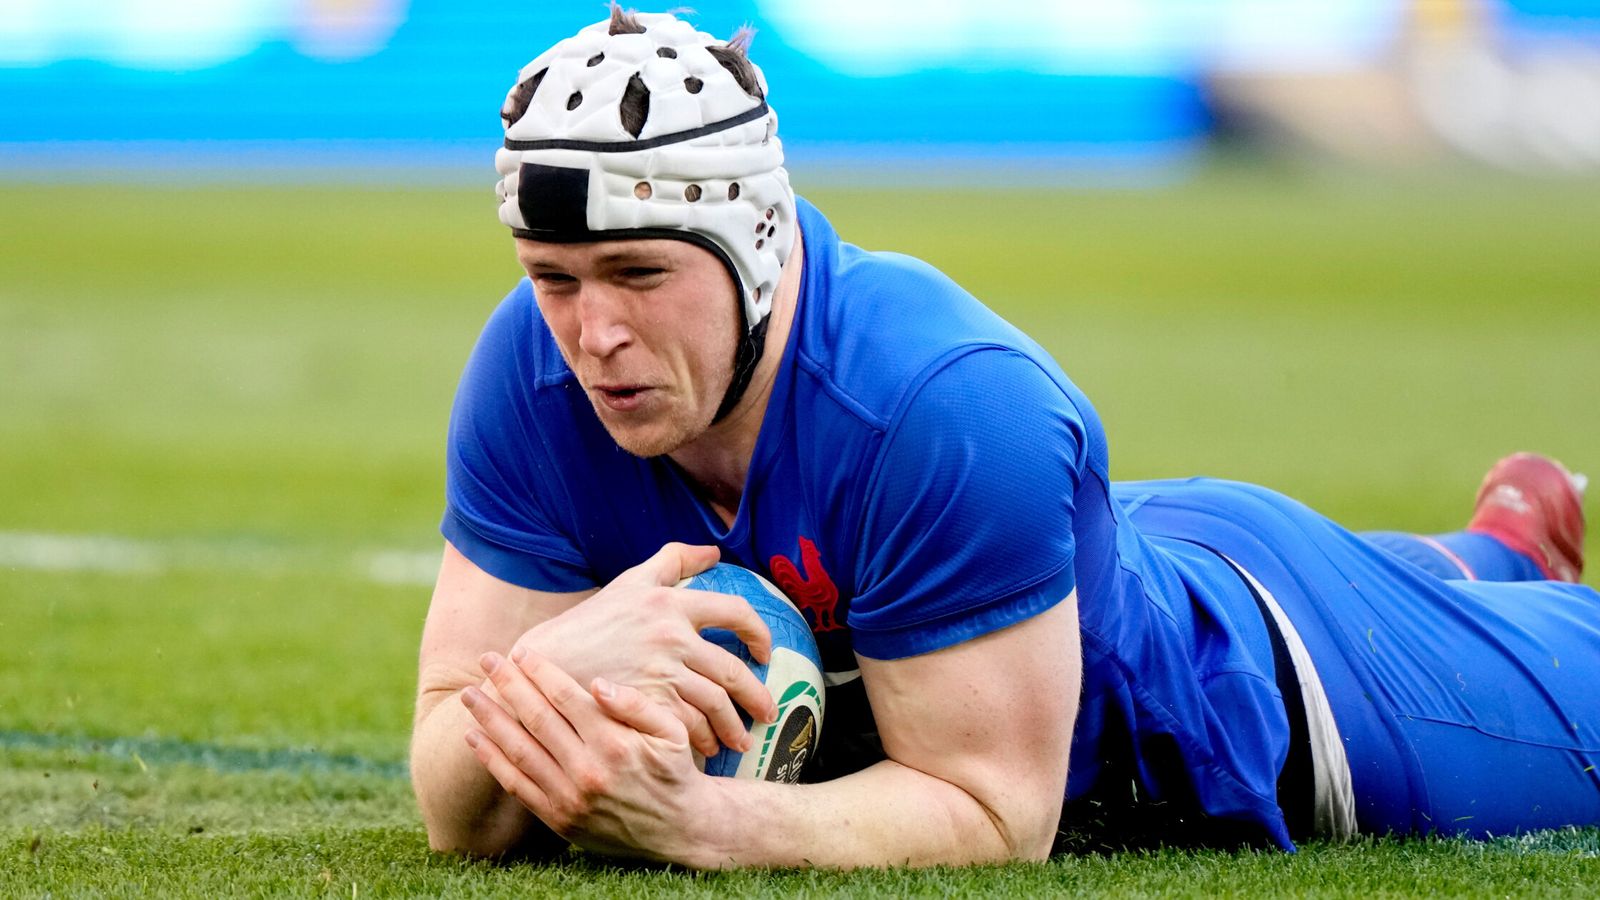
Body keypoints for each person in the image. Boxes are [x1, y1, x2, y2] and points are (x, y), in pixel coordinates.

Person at [408, 7, 1596, 869]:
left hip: (1258, 685)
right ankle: (1496, 552)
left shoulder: (946, 406)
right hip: (1098, 554)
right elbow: (455, 799)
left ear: (760, 244)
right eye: (553, 278)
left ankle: (1495, 587)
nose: (593, 333)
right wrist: (557, 664)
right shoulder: (532, 366)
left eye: (638, 273)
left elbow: (993, 814)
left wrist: (700, 823)